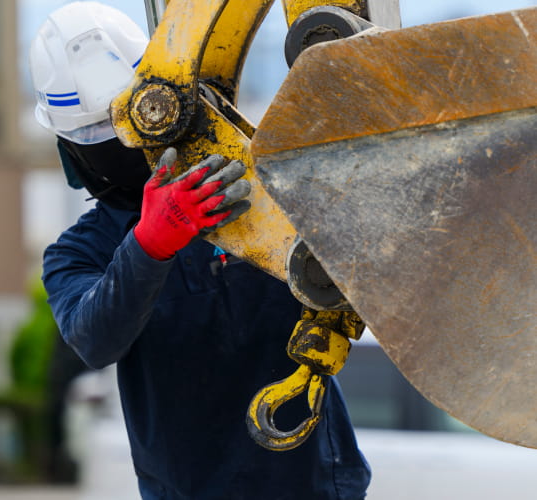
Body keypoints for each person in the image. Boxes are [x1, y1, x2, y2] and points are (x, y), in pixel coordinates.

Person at [30, 2, 371, 499]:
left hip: (316, 484)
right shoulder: (79, 253)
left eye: (118, 127)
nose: (118, 148)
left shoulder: (255, 188)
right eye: (93, 136)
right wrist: (149, 245)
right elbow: (95, 339)